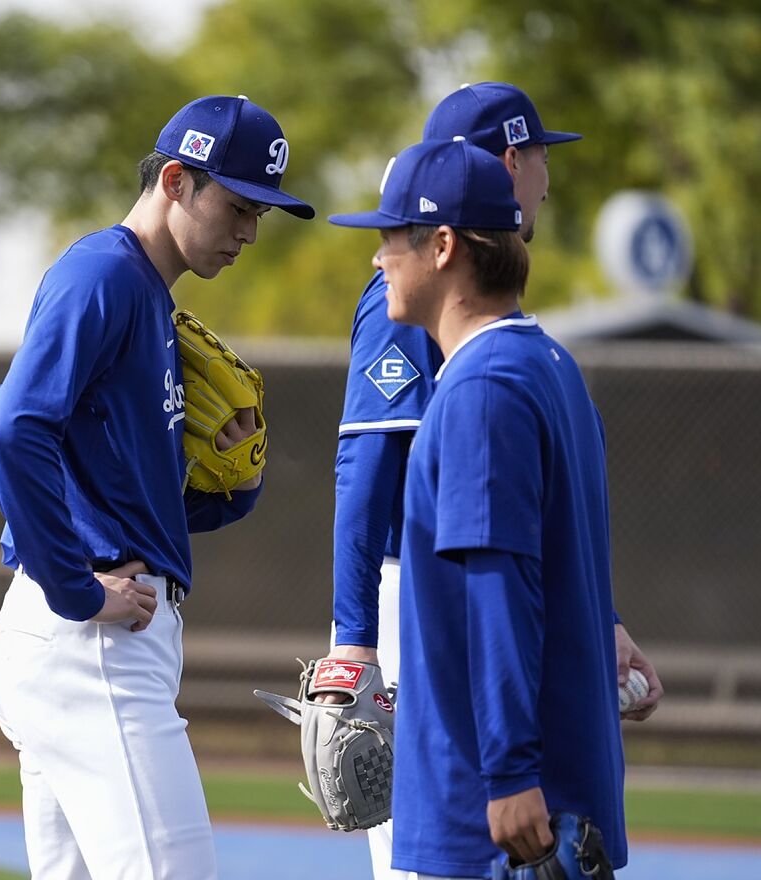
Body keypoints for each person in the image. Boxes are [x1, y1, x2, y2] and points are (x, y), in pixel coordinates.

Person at [325, 83, 662, 878]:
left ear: (443, 246)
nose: (379, 256)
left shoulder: (479, 388)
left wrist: (509, 772)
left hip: (490, 802)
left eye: (393, 237)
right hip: (558, 778)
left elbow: (497, 581)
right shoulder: (551, 363)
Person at [0, 95, 314, 879]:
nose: (249, 232)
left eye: (260, 212)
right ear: (176, 180)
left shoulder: (145, 296)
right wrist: (76, 589)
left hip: (91, 639)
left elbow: (120, 488)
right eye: (236, 206)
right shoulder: (104, 276)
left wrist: (231, 489)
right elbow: (12, 430)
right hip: (91, 644)